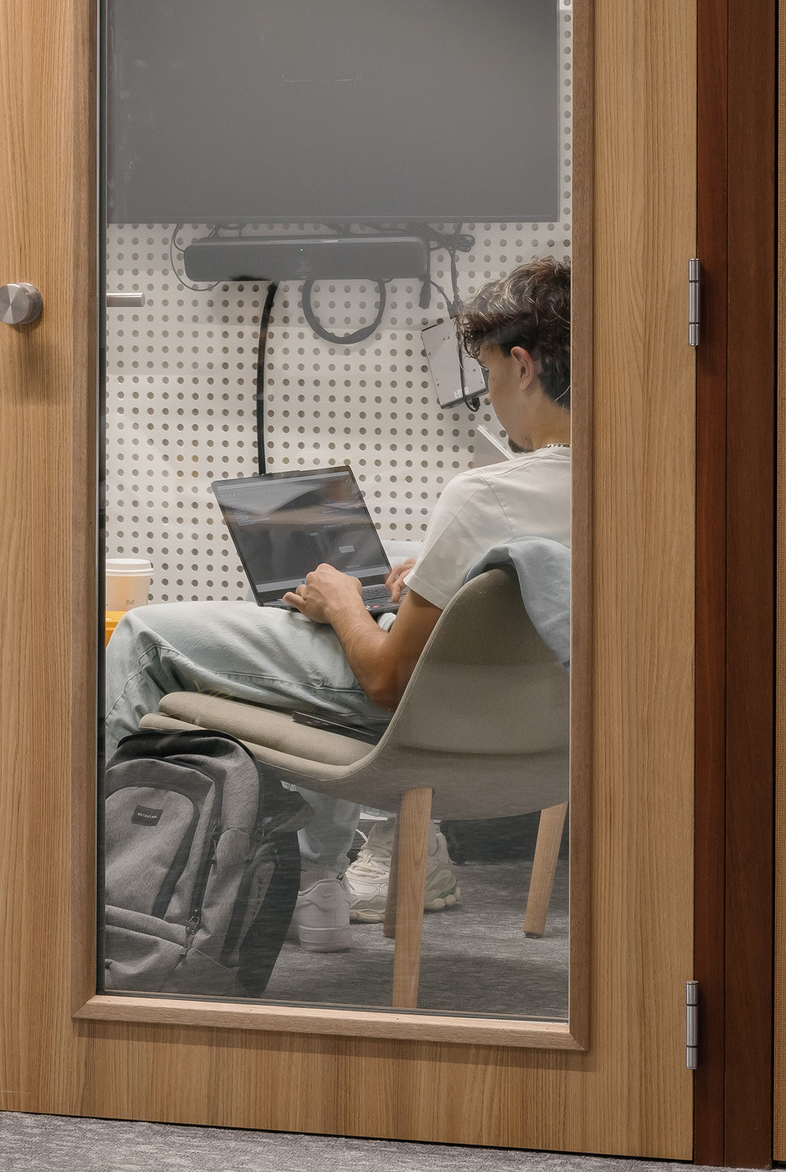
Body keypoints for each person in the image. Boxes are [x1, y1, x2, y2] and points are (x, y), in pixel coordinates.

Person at [103, 258, 573, 952]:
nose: (491, 398)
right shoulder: (633, 480)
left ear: (524, 366)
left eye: (490, 376)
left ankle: (122, 902)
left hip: (430, 731)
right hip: (548, 737)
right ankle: (319, 878)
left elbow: (386, 682)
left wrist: (343, 604)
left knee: (147, 635)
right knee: (315, 619)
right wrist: (443, 576)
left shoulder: (486, 494)